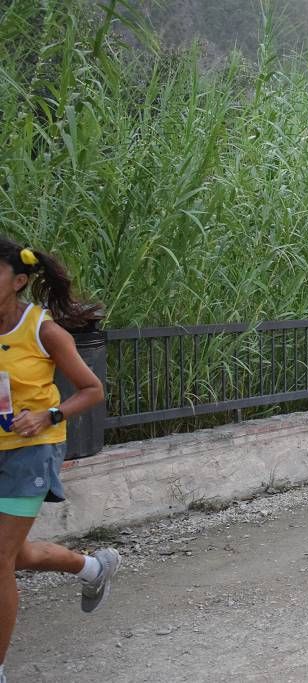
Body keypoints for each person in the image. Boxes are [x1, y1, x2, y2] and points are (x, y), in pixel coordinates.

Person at [0, 239, 120, 683]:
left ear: (18, 282)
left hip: (31, 453)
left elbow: (92, 389)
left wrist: (48, 414)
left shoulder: (42, 330)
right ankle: (92, 567)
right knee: (11, 556)